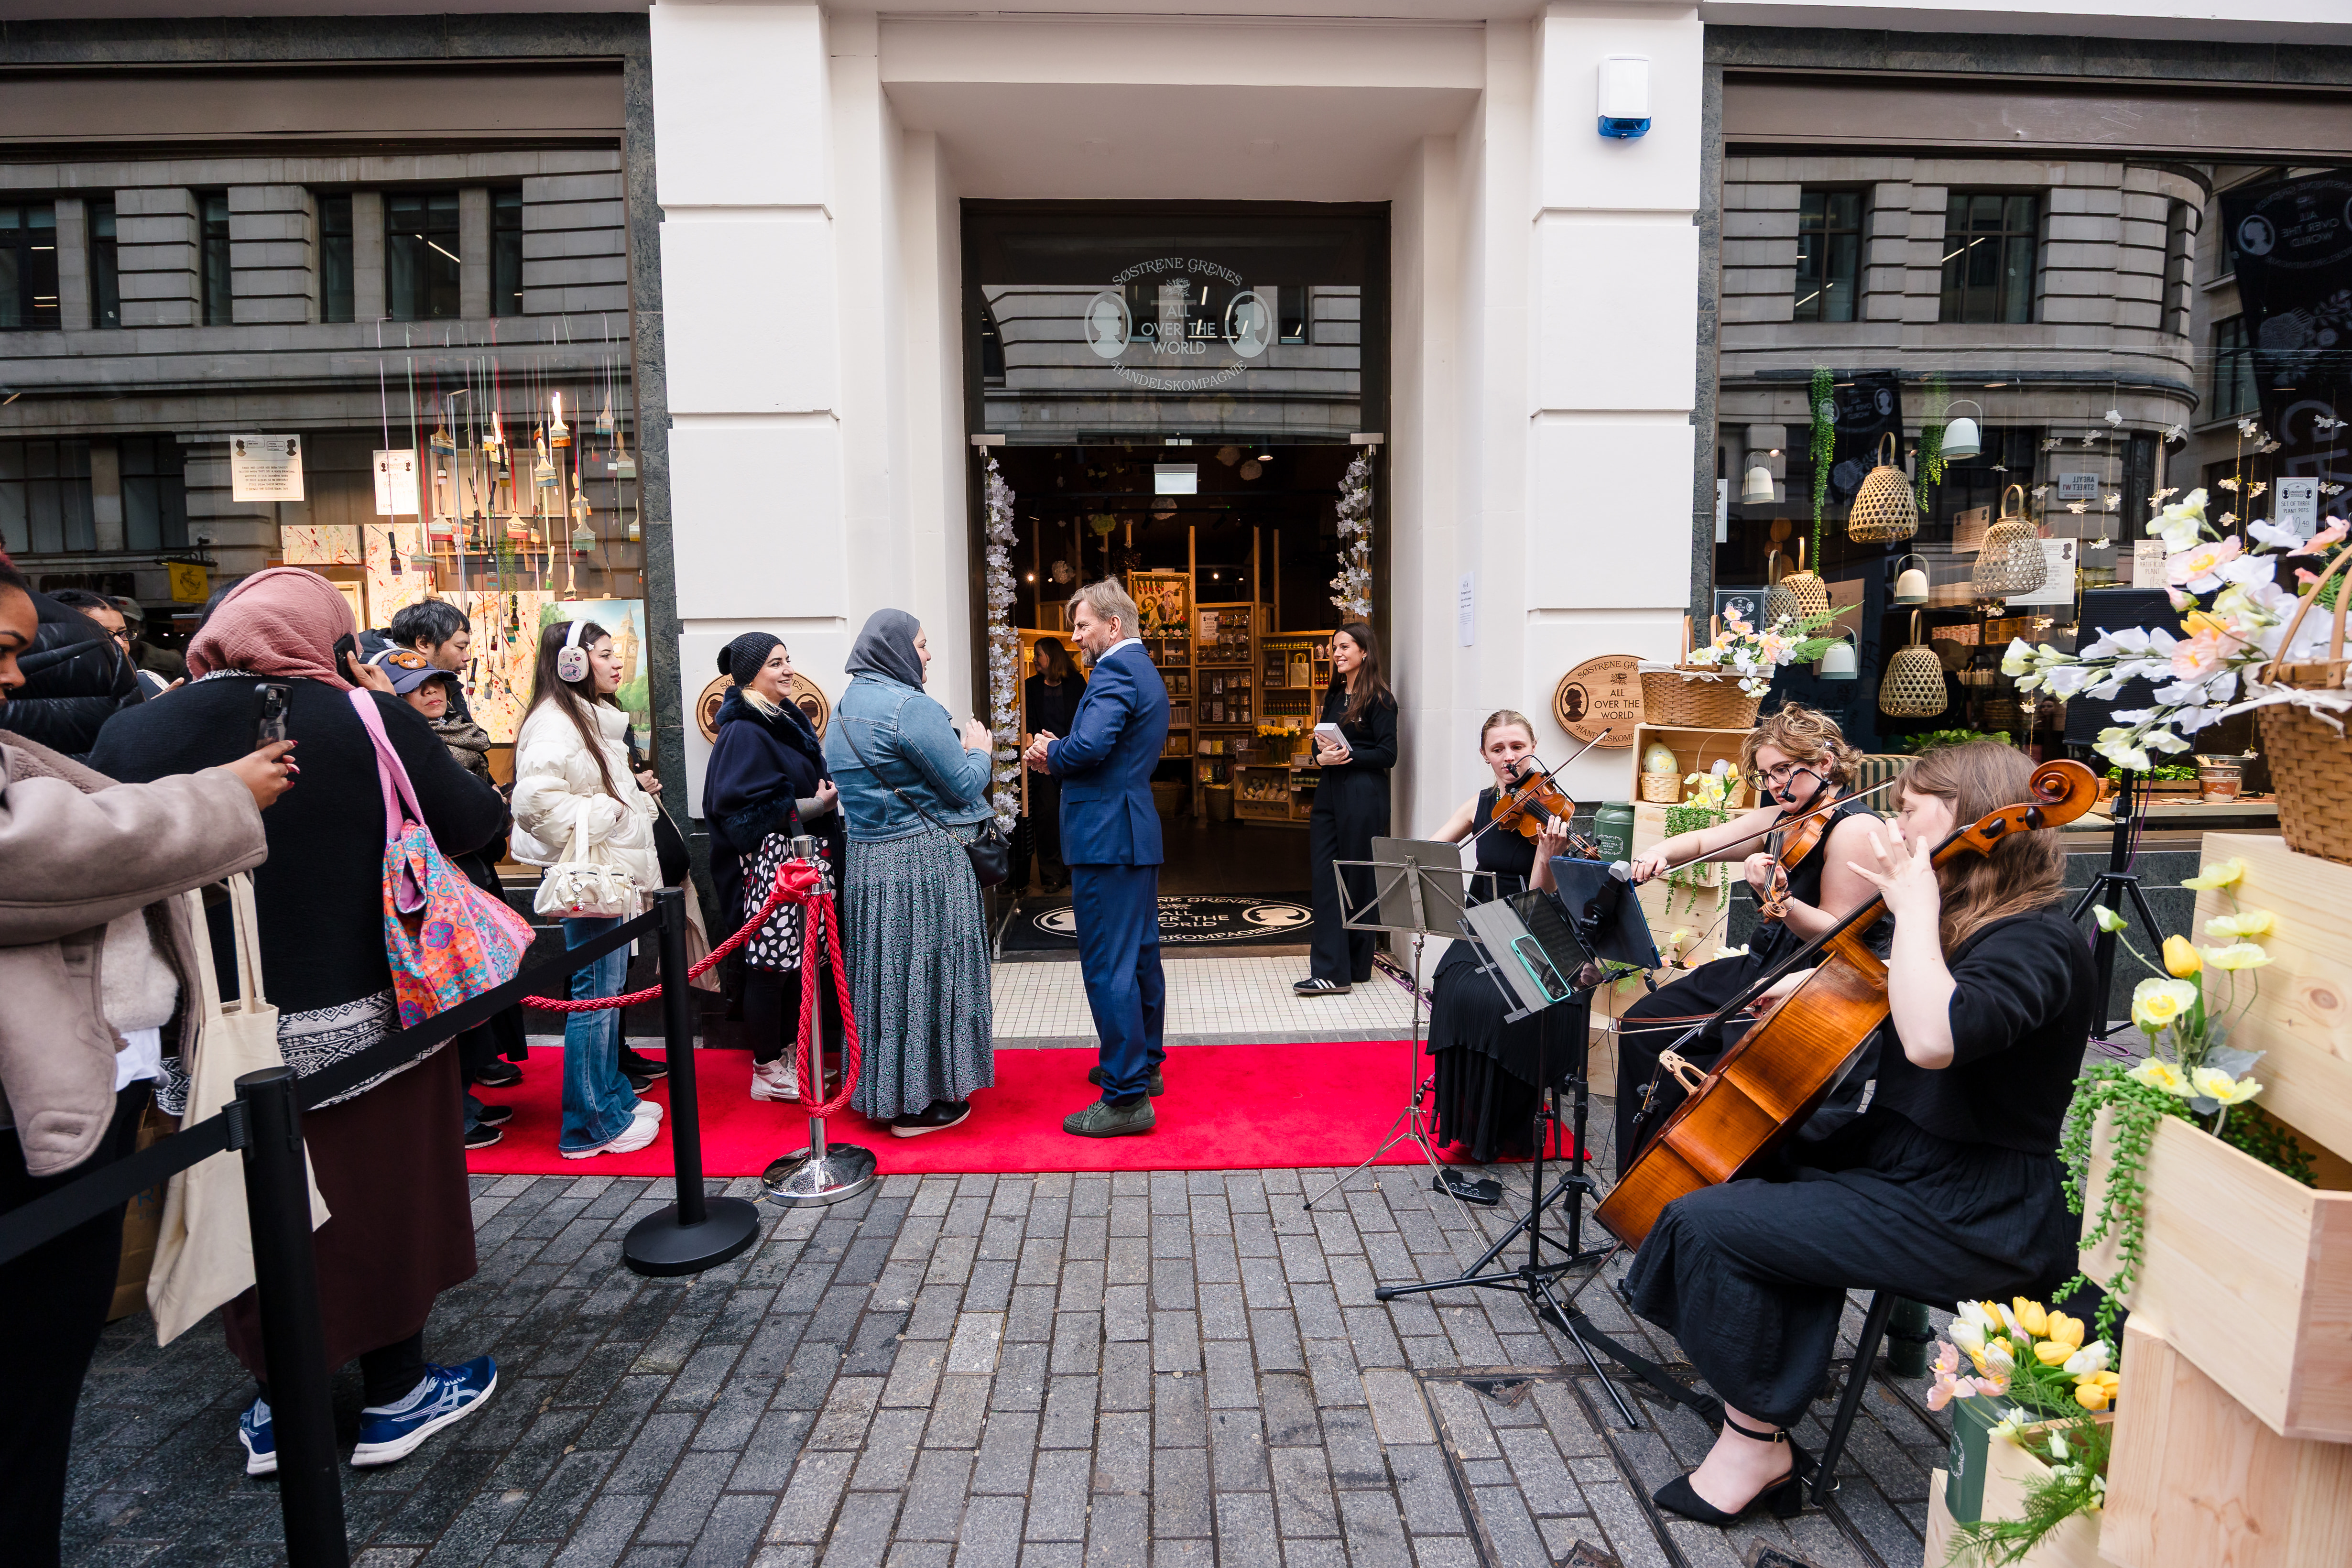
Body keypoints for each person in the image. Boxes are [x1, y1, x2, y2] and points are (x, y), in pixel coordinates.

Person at [87, 566, 506, 1479]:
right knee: (387, 1199)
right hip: (372, 1017)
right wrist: (380, 713)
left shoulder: (138, 729)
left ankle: (284, 1406)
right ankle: (398, 1392)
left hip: (215, 1033)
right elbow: (476, 821)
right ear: (328, 635)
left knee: (249, 1210)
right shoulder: (364, 717)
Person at [1623, 740, 2095, 1524]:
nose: (1895, 826)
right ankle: (1763, 1419)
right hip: (1905, 1162)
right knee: (1748, 1175)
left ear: (1971, 819)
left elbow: (1936, 1036)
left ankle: (1756, 1441)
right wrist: (1818, 982)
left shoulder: (2036, 939)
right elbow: (1894, 989)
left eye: (1911, 811)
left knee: (1703, 1224)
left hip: (1973, 1205)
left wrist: (1912, 911)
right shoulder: (1961, 918)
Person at [0, 550, 286, 1563]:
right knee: (28, 1387)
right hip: (36, 1105)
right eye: (2, 651)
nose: (19, 680)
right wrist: (221, 798)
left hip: (66, 1083)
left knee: (41, 1392)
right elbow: (38, 855)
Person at [1614, 704, 1880, 1168]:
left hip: (1813, 984)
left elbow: (1840, 936)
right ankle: (1643, 1173)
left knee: (1725, 1064)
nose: (1776, 785)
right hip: (1763, 965)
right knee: (1643, 1024)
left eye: (1784, 770)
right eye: (1767, 775)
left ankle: (1704, 1181)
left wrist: (1780, 901)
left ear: (1824, 763)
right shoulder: (1784, 818)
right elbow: (1705, 842)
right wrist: (1658, 853)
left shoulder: (1855, 829)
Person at [827, 609, 995, 1136]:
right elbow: (965, 785)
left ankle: (890, 1090)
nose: (927, 655)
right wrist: (981, 752)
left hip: (867, 863)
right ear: (896, 647)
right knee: (931, 975)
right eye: (922, 644)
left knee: (885, 979)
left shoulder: (843, 708)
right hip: (923, 862)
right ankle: (924, 1103)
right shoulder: (911, 707)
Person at [510, 618, 665, 1158]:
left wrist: (630, 806)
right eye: (602, 653)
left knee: (606, 994)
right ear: (572, 662)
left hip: (609, 873)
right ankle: (589, 1124)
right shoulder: (557, 722)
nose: (616, 662)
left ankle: (611, 1097)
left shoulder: (587, 717)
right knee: (594, 998)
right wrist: (613, 815)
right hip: (592, 876)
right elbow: (534, 803)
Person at [1023, 580, 1171, 1138]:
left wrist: (1049, 752)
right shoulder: (1143, 669)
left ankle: (1127, 1096)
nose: (1075, 636)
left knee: (1109, 964)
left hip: (1106, 837)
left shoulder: (1112, 671)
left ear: (1113, 625)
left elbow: (1089, 747)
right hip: (1130, 832)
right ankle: (1143, 1065)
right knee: (1138, 959)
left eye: (1082, 625)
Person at [369, 646, 518, 1148]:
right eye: (413, 687)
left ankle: (464, 1099)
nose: (431, 692)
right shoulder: (395, 743)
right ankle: (450, 1111)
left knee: (471, 999)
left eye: (436, 683)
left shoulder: (460, 738)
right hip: (426, 889)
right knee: (446, 997)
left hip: (468, 875)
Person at [1421, 711, 1583, 1162]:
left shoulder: (1554, 808)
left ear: (1533, 747)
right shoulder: (1479, 806)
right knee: (1453, 981)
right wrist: (1422, 860)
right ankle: (1466, 1119)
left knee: (1502, 1001)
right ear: (1485, 756)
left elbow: (1540, 896)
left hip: (1534, 919)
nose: (1509, 757)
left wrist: (1548, 853)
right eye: (1498, 749)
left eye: (1517, 747)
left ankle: (1506, 1124)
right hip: (1482, 917)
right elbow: (1431, 852)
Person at [704, 632, 843, 1104]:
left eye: (787, 660)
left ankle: (787, 1054)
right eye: (774, 663)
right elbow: (741, 810)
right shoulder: (744, 728)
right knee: (770, 968)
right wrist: (813, 805)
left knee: (795, 965)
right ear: (750, 675)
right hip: (772, 870)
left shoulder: (783, 716)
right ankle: (766, 1068)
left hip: (800, 862)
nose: (786, 670)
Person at [1297, 621, 1397, 996]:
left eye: (1344, 647)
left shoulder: (1382, 700)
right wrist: (1321, 755)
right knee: (1326, 879)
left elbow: (1389, 754)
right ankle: (1333, 970)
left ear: (1365, 652)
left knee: (1358, 879)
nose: (1336, 654)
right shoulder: (1336, 696)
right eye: (1334, 648)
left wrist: (1348, 756)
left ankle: (1355, 966)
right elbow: (1320, 745)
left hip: (1362, 795)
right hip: (1329, 793)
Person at [3, 588, 145, 758]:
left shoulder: (136, 677)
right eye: (104, 634)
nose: (119, 643)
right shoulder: (13, 674)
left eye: (122, 633)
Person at [1022, 636, 1084, 893]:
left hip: (1070, 758)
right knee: (1047, 817)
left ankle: (1073, 870)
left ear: (1053, 656)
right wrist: (1032, 748)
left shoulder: (1077, 684)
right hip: (1043, 760)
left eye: (1038, 655)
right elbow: (1028, 724)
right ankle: (1051, 876)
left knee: (1072, 816)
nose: (1034, 659)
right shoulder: (1030, 686)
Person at [389, 597, 476, 724]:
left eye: (435, 681)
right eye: (460, 647)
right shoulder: (379, 684)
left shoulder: (447, 680)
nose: (467, 657)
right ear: (424, 644)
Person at [112, 598, 186, 686]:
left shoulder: (170, 662)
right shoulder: (96, 664)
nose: (122, 633)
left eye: (128, 623)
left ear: (143, 627)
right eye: (110, 629)